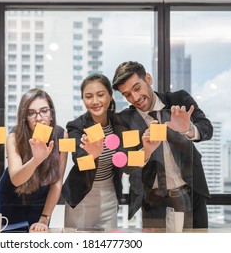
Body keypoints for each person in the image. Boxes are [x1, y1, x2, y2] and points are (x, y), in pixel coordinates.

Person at [112, 61, 213, 228]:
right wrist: (145, 151)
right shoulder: (124, 120)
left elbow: (206, 128)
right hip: (153, 201)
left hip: (190, 194)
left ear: (148, 79)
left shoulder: (178, 100)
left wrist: (187, 129)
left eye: (137, 88)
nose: (135, 98)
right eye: (127, 94)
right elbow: (127, 167)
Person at [61, 73, 129, 229]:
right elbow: (79, 160)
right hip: (80, 197)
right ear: (83, 99)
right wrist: (92, 154)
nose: (95, 101)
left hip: (109, 195)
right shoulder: (76, 126)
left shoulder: (120, 124)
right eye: (89, 96)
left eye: (100, 95)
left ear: (110, 96)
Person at [0, 88, 68, 232]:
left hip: (42, 197)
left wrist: (45, 217)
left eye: (44, 111)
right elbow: (16, 179)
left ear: (51, 114)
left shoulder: (61, 135)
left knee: (38, 237)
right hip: (13, 196)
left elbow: (57, 182)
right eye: (31, 113)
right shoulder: (14, 136)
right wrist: (36, 160)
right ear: (25, 118)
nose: (39, 117)